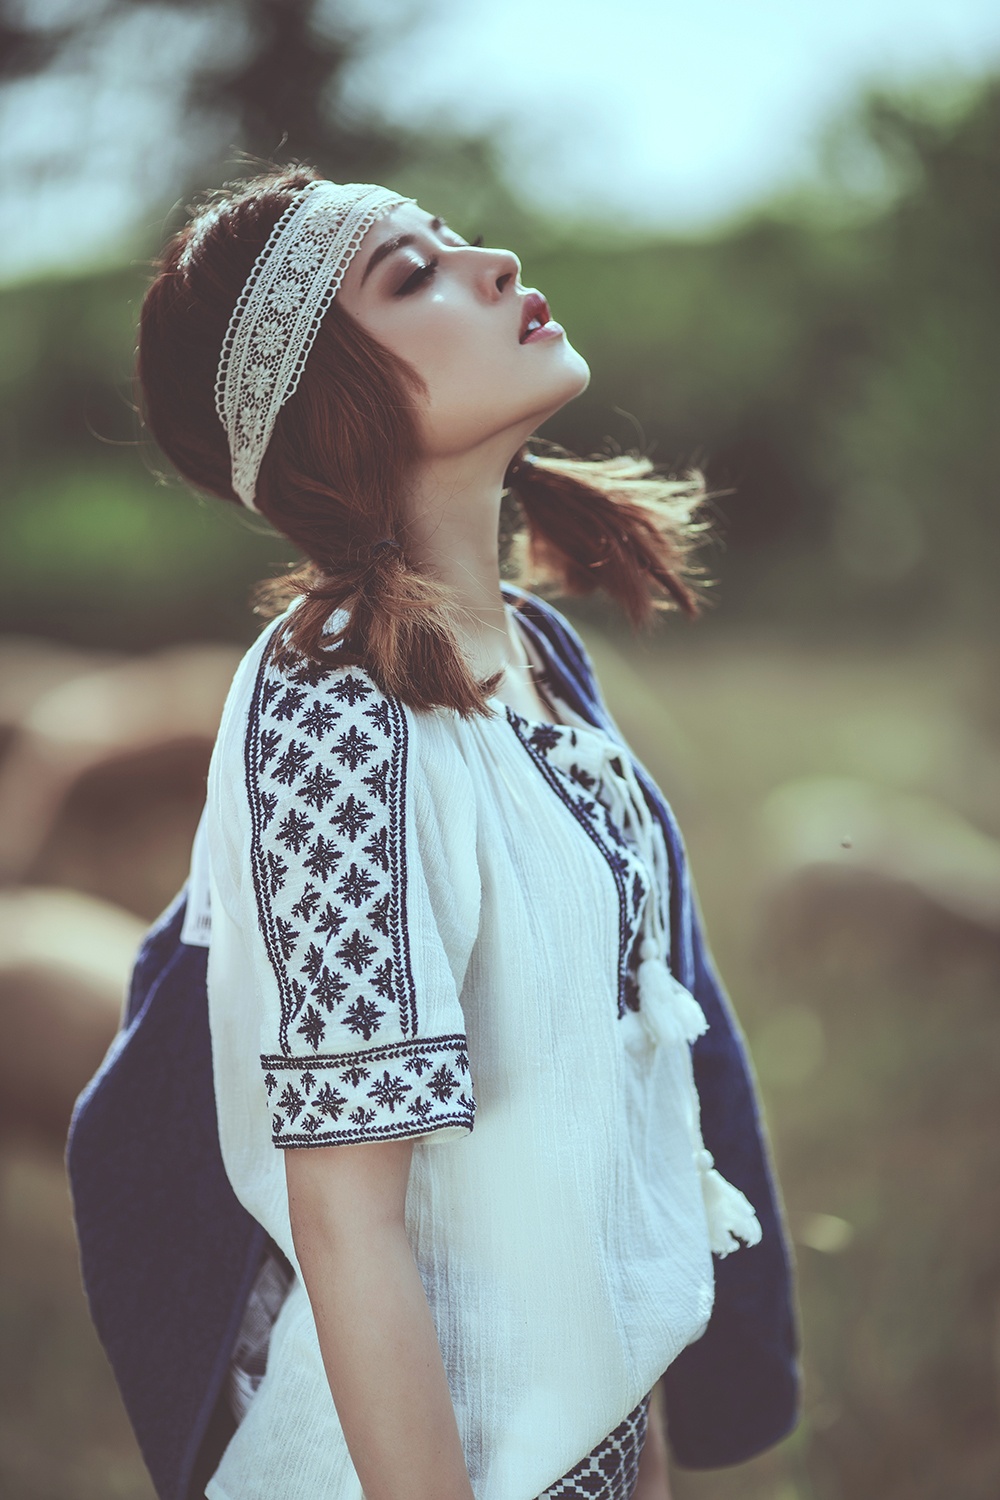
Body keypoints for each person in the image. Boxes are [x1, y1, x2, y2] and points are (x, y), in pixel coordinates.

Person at [68, 168, 801, 1500]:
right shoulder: (337, 717)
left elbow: (617, 1098)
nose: (495, 262)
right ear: (328, 407)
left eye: (454, 240)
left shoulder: (540, 657)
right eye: (413, 277)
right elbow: (348, 1221)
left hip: (590, 1450)